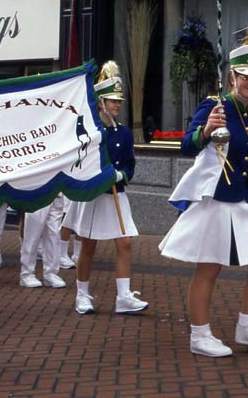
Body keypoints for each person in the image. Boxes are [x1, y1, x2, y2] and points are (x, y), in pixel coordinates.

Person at [159, 21, 248, 357]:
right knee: (210, 266)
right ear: (233, 76)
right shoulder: (214, 105)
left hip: (244, 195)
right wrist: (205, 131)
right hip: (216, 197)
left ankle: (247, 325)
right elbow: (187, 147)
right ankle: (199, 336)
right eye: (246, 75)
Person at [63, 60, 148, 315]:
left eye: (119, 101)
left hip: (117, 194)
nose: (117, 105)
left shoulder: (124, 132)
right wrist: (99, 175)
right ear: (100, 102)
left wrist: (122, 174)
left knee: (125, 243)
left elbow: (130, 165)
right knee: (88, 245)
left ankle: (123, 296)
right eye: (112, 100)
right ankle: (82, 294)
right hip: (94, 195)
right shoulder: (90, 130)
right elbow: (79, 161)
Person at [19, 194, 66, 288]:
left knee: (54, 235)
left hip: (56, 192)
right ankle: (27, 273)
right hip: (37, 191)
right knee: (32, 235)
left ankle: (51, 273)